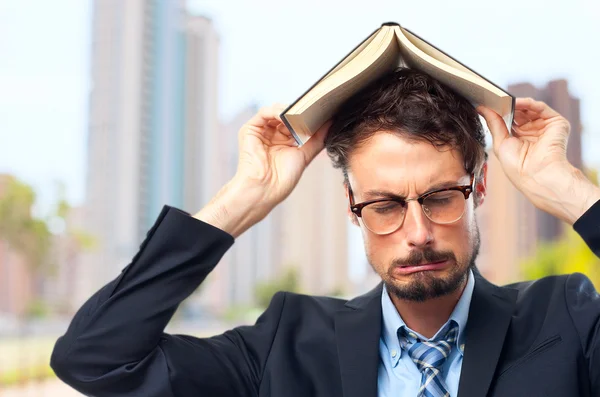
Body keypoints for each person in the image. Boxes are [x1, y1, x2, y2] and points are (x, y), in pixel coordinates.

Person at [50, 68, 600, 397]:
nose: (418, 233)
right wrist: (246, 198)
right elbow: (96, 360)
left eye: (439, 198)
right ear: (351, 206)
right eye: (384, 205)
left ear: (478, 187)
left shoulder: (566, 320)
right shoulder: (285, 344)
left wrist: (569, 190)